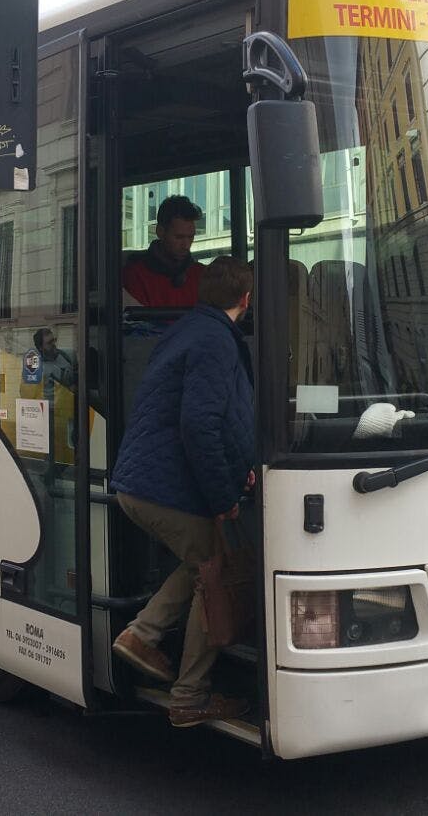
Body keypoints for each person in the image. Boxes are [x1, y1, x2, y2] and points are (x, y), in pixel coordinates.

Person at [108, 256, 256, 727]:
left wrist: (239, 468)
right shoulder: (217, 340)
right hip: (162, 489)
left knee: (203, 561)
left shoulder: (187, 330)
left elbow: (212, 421)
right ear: (246, 299)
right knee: (216, 572)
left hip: (141, 482)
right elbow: (200, 425)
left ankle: (143, 634)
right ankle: (189, 695)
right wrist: (225, 496)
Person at [122, 194, 204, 307]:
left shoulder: (202, 275)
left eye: (191, 237)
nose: (186, 245)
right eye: (179, 237)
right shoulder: (135, 276)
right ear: (160, 232)